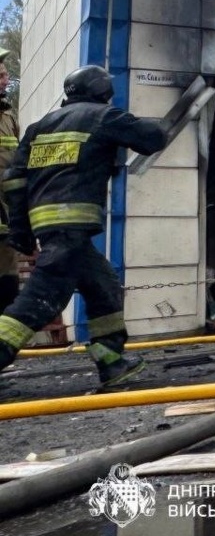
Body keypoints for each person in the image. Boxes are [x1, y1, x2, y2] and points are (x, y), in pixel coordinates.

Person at [0, 65, 167, 387]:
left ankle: (111, 361)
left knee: (103, 286)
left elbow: (14, 180)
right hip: (71, 226)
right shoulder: (104, 116)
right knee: (37, 303)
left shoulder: (39, 127)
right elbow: (153, 138)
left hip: (49, 228)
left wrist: (20, 229)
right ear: (103, 91)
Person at [0, 50, 22, 314]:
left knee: (7, 285)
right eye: (0, 76)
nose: (6, 80)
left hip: (6, 220)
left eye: (5, 75)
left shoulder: (9, 117)